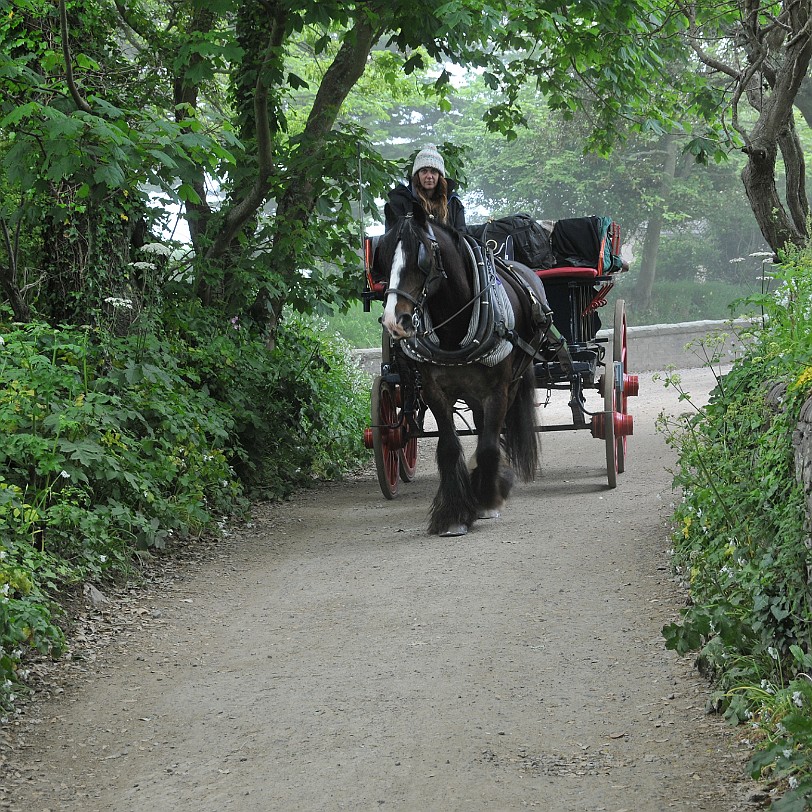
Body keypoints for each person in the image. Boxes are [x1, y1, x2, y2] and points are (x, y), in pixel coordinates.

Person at [384, 145, 466, 232]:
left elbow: (461, 236)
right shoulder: (399, 201)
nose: (429, 176)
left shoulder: (454, 203)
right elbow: (392, 236)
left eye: (433, 172)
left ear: (439, 176)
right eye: (424, 171)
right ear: (417, 175)